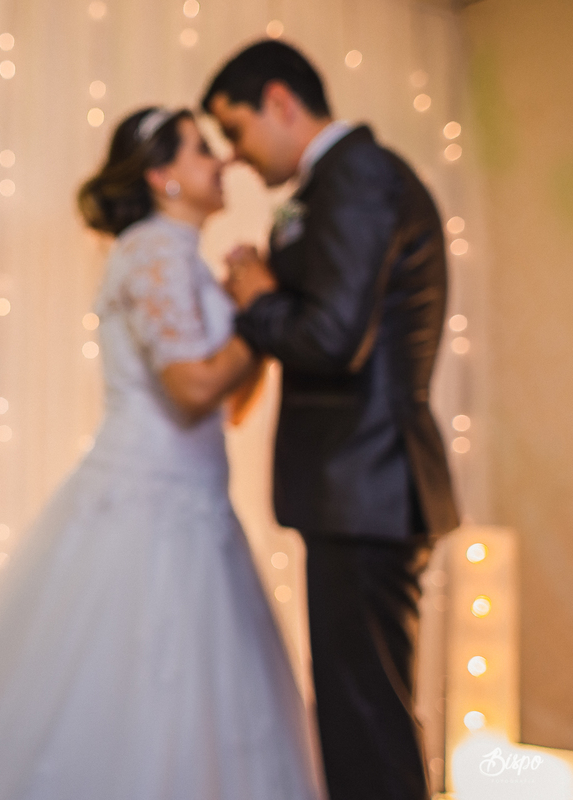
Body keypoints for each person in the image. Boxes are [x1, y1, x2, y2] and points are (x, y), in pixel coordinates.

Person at [0, 107, 323, 800]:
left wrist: (253, 314)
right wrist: (260, 312)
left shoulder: (180, 255)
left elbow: (232, 404)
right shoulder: (150, 250)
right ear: (161, 176)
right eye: (202, 149)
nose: (222, 161)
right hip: (146, 505)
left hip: (200, 504)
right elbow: (194, 386)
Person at [202, 40, 460, 800]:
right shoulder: (343, 181)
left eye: (237, 130)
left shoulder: (358, 175)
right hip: (363, 488)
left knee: (366, 724)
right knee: (361, 718)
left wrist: (255, 293)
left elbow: (332, 338)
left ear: (280, 101)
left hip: (368, 485)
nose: (239, 158)